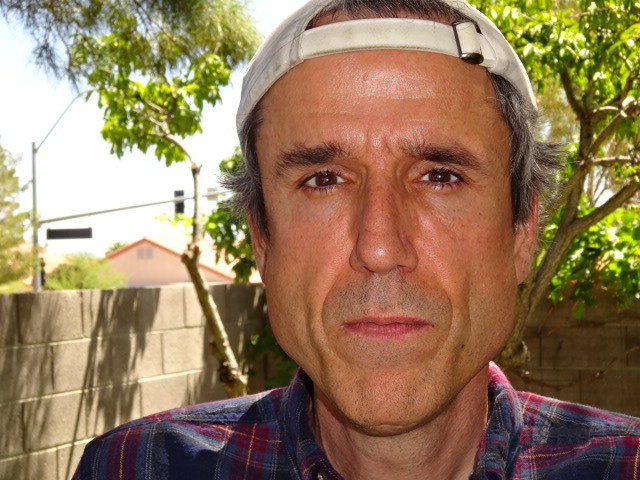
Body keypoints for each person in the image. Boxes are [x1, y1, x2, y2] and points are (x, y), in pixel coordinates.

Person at [73, 0, 640, 478]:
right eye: (322, 180)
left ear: (523, 233)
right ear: (261, 240)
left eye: (441, 176)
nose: (380, 247)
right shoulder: (136, 466)